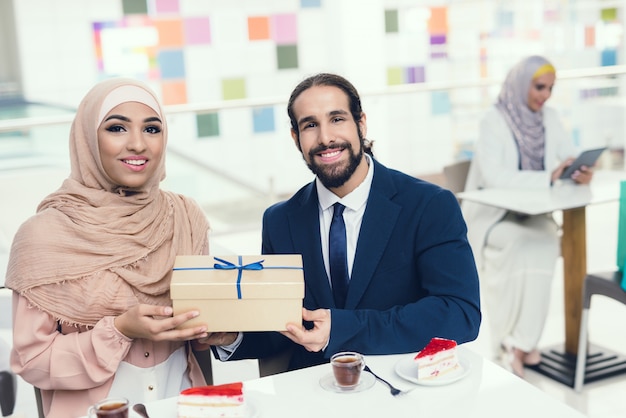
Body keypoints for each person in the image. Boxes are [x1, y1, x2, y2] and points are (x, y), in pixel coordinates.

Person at [210, 72, 481, 371]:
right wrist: (231, 336)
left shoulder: (429, 205)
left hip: (406, 389)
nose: (325, 138)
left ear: (361, 124)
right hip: (314, 394)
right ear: (295, 138)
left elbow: (460, 313)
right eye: (310, 125)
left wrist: (342, 328)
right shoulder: (280, 221)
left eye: (337, 119)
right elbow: (283, 327)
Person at [4, 78, 227, 417]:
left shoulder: (185, 217)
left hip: (186, 404)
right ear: (88, 139)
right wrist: (119, 331)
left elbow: (203, 326)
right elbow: (31, 360)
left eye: (152, 129)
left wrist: (220, 325)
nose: (138, 144)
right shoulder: (43, 237)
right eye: (117, 128)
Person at [462, 55, 594, 377]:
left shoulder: (549, 117)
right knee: (521, 243)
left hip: (534, 214)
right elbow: (494, 177)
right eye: (539, 87)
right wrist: (548, 177)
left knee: (547, 239)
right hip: (495, 217)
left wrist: (578, 170)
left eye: (550, 88)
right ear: (522, 83)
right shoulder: (494, 120)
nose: (545, 95)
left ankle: (524, 342)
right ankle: (506, 343)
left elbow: (566, 156)